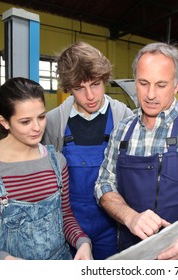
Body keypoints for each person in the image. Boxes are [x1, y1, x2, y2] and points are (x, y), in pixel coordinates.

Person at [94, 42, 178, 260]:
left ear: (177, 85)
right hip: (131, 252)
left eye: (161, 85)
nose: (150, 94)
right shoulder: (123, 130)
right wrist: (130, 217)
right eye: (143, 83)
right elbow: (104, 184)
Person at [0, 77, 92, 260]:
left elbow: (65, 216)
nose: (37, 128)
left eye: (41, 117)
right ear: (4, 122)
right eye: (25, 121)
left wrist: (82, 242)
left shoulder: (57, 161)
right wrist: (1, 260)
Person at [42, 41, 134, 259]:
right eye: (79, 88)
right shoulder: (54, 122)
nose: (90, 95)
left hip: (113, 226)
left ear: (104, 79)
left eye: (95, 84)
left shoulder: (125, 118)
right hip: (68, 226)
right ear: (68, 88)